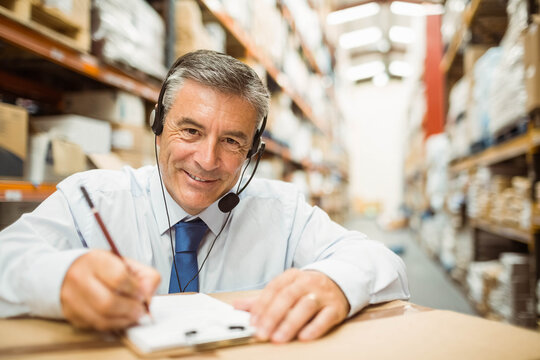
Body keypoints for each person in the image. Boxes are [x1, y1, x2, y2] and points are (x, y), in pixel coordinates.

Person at [0, 50, 409, 343]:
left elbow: (385, 265)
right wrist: (62, 280)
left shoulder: (282, 211)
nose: (208, 160)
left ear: (253, 152)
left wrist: (335, 283)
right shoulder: (91, 197)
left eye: (232, 141)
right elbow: (7, 257)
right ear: (157, 123)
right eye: (191, 131)